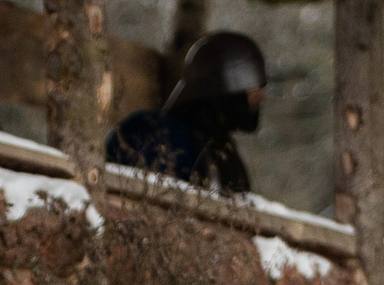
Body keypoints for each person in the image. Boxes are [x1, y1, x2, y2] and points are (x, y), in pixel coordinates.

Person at [105, 32, 267, 193]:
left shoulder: (221, 152)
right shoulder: (154, 132)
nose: (260, 98)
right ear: (226, 85)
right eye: (252, 89)